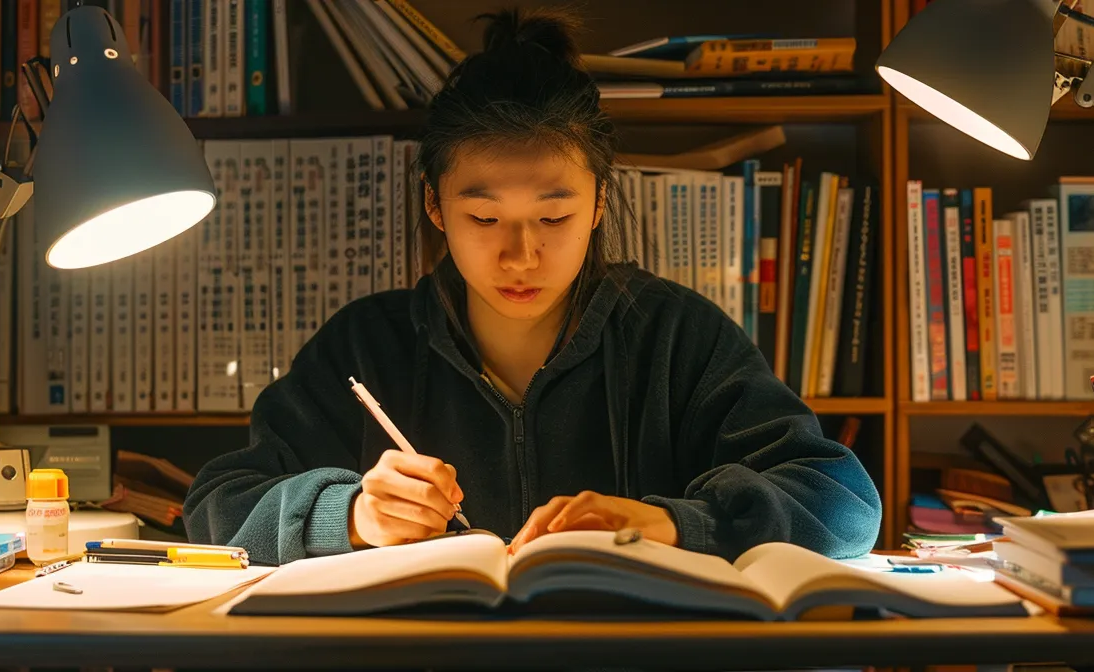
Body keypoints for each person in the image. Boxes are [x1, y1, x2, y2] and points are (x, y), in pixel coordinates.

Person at [184, 8, 880, 564]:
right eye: (484, 217)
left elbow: (843, 503)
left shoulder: (677, 338)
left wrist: (668, 524)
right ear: (436, 207)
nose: (521, 255)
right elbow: (218, 505)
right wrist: (352, 516)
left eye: (554, 215)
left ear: (600, 202)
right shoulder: (367, 345)